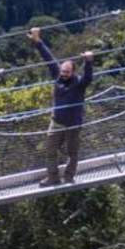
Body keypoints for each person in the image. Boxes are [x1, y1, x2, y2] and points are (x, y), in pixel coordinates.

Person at [28, 26, 94, 186]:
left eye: (67, 72)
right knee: (50, 150)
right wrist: (38, 41)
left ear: (73, 72)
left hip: (73, 125)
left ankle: (69, 177)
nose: (63, 74)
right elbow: (48, 58)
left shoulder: (78, 83)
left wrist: (89, 61)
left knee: (72, 152)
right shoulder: (57, 76)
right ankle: (53, 177)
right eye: (63, 71)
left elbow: (88, 78)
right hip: (57, 122)